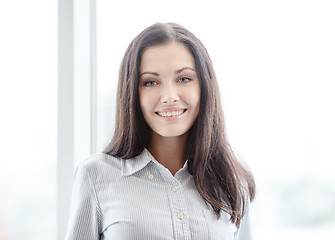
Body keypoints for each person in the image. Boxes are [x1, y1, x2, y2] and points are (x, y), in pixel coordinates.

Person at [65, 22, 255, 240]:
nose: (169, 96)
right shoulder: (95, 175)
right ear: (132, 92)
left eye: (183, 79)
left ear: (204, 86)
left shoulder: (232, 182)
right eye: (150, 82)